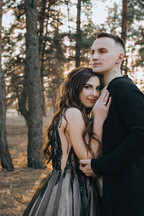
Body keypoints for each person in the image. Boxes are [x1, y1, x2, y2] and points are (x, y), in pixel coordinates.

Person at [79, 33, 144, 216]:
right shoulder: (105, 91)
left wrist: (101, 165)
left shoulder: (123, 88)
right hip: (110, 189)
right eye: (92, 52)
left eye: (102, 51)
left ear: (119, 57)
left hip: (127, 193)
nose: (94, 57)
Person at [23, 67, 112, 216]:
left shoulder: (74, 112)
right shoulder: (73, 113)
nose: (94, 94)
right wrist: (99, 120)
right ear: (76, 87)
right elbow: (87, 157)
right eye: (88, 87)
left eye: (98, 88)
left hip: (71, 185)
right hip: (71, 189)